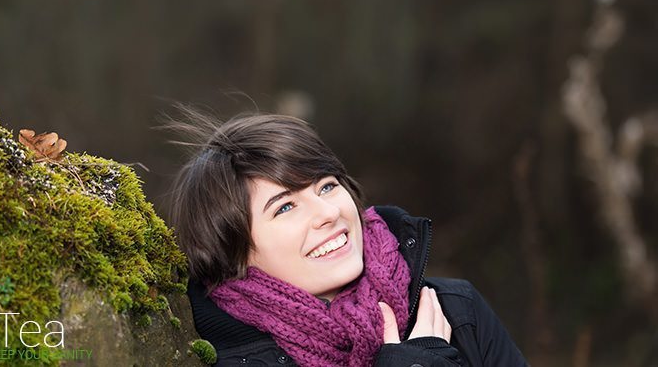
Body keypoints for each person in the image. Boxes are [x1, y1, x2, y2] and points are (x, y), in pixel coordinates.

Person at [168, 110, 528, 366]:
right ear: (234, 252)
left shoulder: (457, 312)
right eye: (285, 207)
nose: (328, 212)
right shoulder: (211, 357)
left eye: (326, 186)